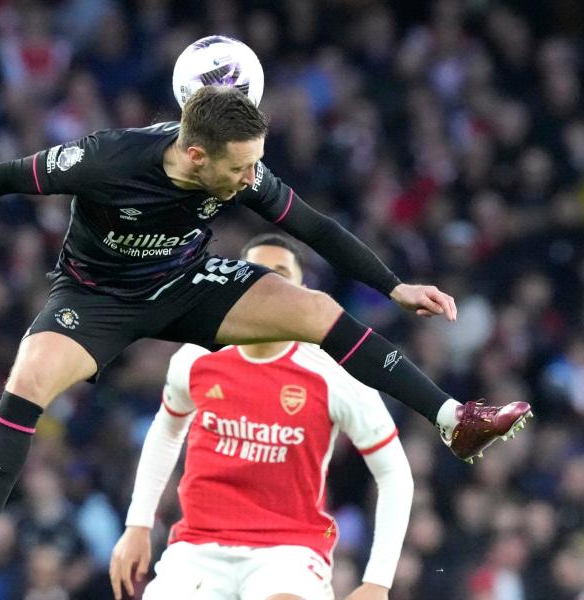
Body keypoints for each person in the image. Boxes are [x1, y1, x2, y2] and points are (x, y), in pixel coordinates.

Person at [0, 86, 531, 598]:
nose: (250, 181)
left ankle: (453, 420)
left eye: (255, 168)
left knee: (319, 309)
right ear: (196, 153)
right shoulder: (107, 158)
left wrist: (393, 287)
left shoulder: (242, 168)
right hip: (98, 300)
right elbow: (5, 176)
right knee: (28, 376)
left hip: (186, 282)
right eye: (239, 170)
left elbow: (317, 229)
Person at [108, 234, 414, 600]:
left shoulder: (336, 372)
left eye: (281, 274)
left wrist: (378, 581)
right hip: (198, 547)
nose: (268, 284)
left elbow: (394, 471)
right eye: (256, 272)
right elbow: (167, 428)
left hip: (289, 552)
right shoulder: (197, 357)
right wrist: (138, 523)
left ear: (302, 290)